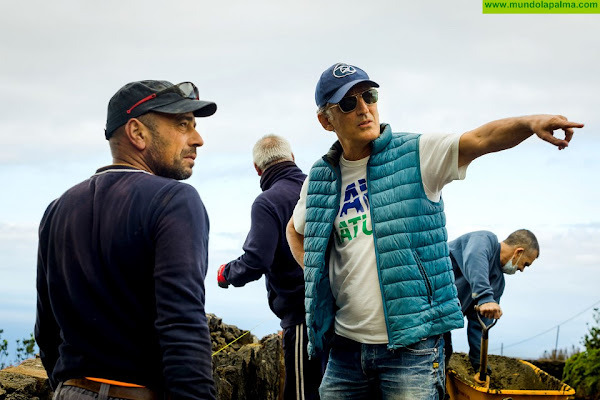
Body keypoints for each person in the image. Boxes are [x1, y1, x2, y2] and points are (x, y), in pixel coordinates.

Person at [285, 62, 583, 399]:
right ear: (326, 120)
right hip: (344, 349)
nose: (364, 109)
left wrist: (530, 123)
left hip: (412, 351)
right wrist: (315, 274)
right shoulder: (321, 178)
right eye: (348, 104)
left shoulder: (417, 153)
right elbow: (294, 230)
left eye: (368, 96)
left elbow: (481, 138)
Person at [35, 80, 218, 400]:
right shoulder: (175, 200)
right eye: (182, 125)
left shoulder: (57, 209)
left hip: (69, 391)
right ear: (137, 133)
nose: (198, 139)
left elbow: (47, 330)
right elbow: (182, 325)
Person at [216, 134, 324, 400]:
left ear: (257, 169)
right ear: (292, 158)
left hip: (303, 319)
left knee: (302, 394)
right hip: (343, 312)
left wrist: (226, 273)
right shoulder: (321, 188)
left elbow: (255, 261)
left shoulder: (268, 201)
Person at [444, 229, 539, 373]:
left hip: (440, 326)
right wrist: (484, 297)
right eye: (525, 264)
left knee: (444, 355)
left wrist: (480, 368)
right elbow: (474, 259)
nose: (521, 269)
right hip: (421, 305)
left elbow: (480, 327)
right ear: (518, 252)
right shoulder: (484, 240)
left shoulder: (497, 283)